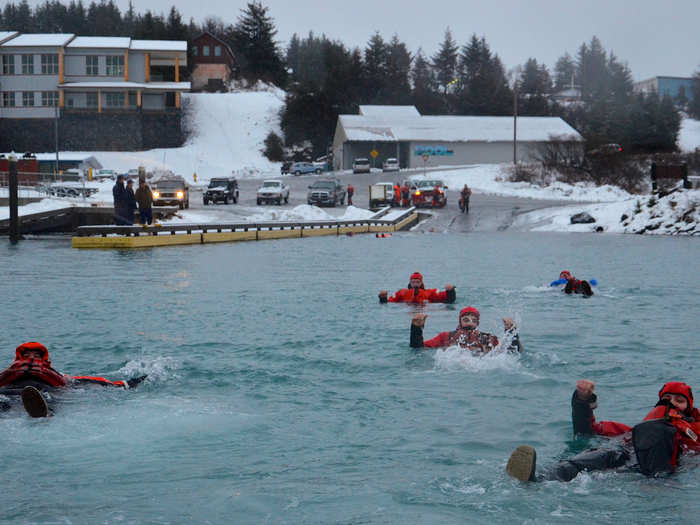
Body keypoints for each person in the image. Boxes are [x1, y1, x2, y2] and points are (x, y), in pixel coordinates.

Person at [506, 380, 700, 482]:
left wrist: (677, 424)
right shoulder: (630, 432)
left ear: (689, 408)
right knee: (584, 460)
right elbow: (588, 430)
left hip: (652, 470)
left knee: (609, 475)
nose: (671, 403)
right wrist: (582, 401)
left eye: (679, 400)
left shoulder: (694, 432)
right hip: (623, 449)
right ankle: (539, 478)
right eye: (666, 398)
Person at [0, 342, 146, 418]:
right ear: (20, 358)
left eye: (36, 355)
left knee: (49, 398)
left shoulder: (57, 375)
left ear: (43, 358)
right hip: (11, 394)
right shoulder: (8, 375)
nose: (31, 358)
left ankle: (47, 413)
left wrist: (123, 384)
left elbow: (86, 380)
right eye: (28, 355)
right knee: (3, 402)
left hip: (43, 393)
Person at [410, 306, 521, 353]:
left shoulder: (488, 338)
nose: (469, 323)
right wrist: (416, 329)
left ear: (478, 323)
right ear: (460, 321)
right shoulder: (445, 337)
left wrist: (511, 332)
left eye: (473, 320)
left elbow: (512, 352)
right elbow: (418, 348)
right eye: (466, 319)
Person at [378, 272, 455, 304]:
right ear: (410, 283)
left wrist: (450, 291)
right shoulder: (402, 292)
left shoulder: (430, 292)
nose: (415, 284)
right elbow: (389, 302)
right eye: (413, 282)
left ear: (421, 283)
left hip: (424, 308)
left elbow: (446, 299)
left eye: (417, 282)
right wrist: (383, 297)